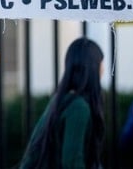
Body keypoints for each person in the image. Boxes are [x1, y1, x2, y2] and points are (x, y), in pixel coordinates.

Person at [20, 37, 105, 169]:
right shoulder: (78, 107)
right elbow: (72, 162)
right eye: (100, 63)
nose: (103, 69)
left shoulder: (62, 100)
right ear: (92, 67)